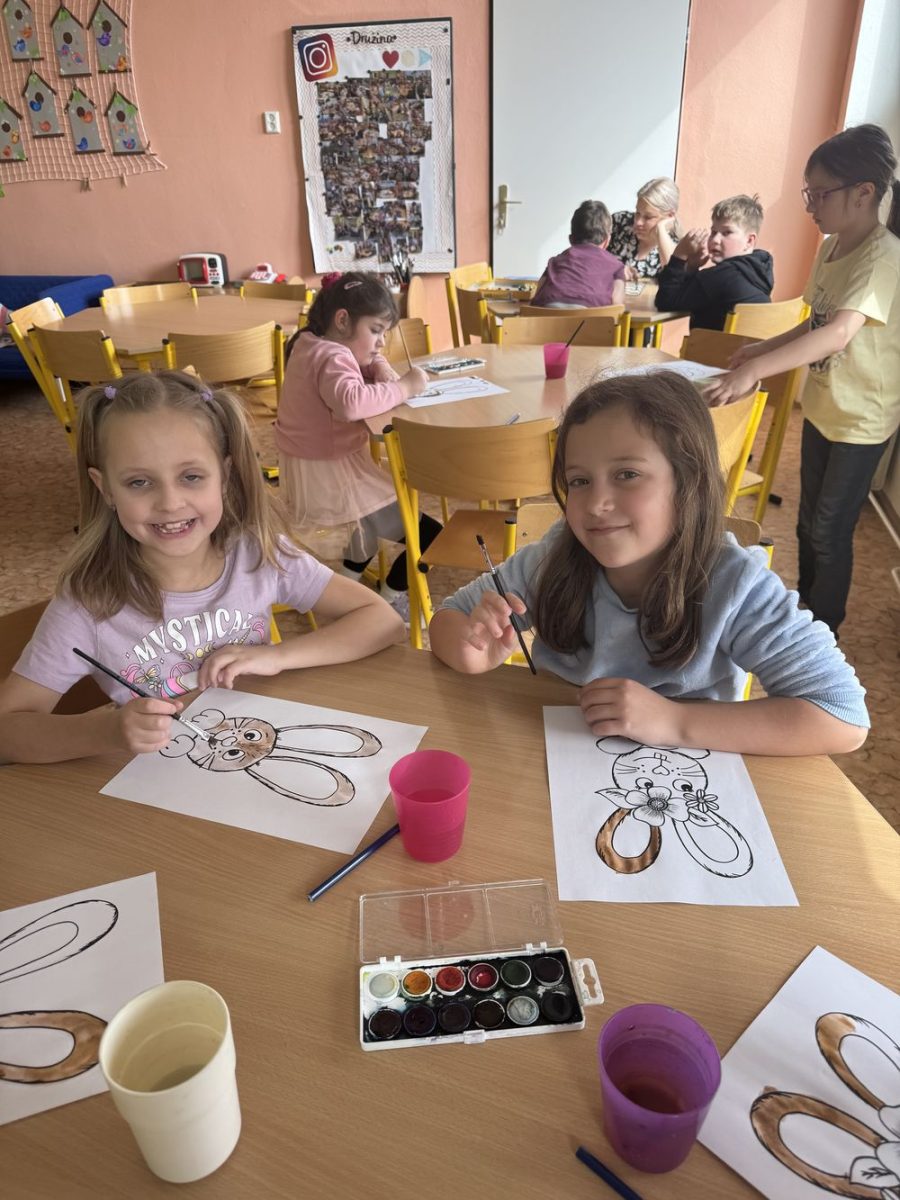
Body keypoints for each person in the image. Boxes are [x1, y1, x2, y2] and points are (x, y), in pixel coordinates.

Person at [429, 373, 868, 756]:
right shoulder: (553, 558)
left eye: (627, 474)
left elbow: (842, 715)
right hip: (553, 760)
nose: (596, 504)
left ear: (688, 482)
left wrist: (674, 721)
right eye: (579, 480)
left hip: (682, 776)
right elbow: (449, 616)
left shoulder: (735, 584)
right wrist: (470, 653)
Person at [0, 370, 404, 765]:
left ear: (224, 476)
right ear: (105, 488)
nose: (170, 503)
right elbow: (6, 732)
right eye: (139, 482)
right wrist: (104, 732)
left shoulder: (258, 555)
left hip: (257, 749)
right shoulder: (87, 605)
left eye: (191, 476)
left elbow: (383, 622)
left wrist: (278, 656)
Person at [706, 124, 900, 634]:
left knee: (829, 531)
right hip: (824, 407)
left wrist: (756, 370)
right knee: (807, 523)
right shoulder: (831, 247)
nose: (810, 205)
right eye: (807, 192)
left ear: (863, 193)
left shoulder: (882, 258)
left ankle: (823, 630)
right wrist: (762, 348)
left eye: (820, 194)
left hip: (862, 420)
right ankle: (809, 613)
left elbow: (838, 333)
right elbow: (814, 321)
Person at [275, 271, 438, 616]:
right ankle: (388, 599)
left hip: (314, 466)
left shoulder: (309, 340)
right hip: (331, 473)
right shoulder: (332, 357)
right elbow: (350, 403)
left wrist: (379, 365)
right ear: (342, 321)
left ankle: (345, 585)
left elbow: (362, 359)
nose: (381, 343)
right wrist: (405, 387)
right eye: (376, 331)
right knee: (429, 535)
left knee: (368, 522)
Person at [655, 194, 773, 330]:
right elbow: (689, 295)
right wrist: (692, 267)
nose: (715, 240)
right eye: (713, 232)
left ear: (749, 241)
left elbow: (665, 302)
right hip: (750, 344)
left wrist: (679, 254)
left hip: (710, 344)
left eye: (727, 233)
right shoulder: (760, 271)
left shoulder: (721, 275)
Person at [530, 201, 626, 309]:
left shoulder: (555, 262)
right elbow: (617, 307)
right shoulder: (616, 266)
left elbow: (535, 296)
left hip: (547, 316)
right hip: (592, 318)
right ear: (607, 241)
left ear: (571, 240)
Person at [608, 178, 680, 281]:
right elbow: (590, 255)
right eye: (637, 213)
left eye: (648, 217)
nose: (638, 222)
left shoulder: (677, 248)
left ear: (670, 215)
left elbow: (673, 279)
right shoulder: (620, 223)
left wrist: (661, 230)